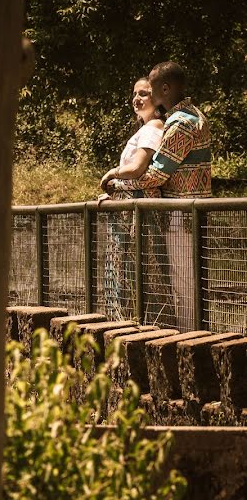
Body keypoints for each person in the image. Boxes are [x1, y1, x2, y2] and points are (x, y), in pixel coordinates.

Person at [104, 62, 212, 329]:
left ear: (164, 88)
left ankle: (190, 339)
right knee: (189, 283)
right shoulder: (193, 115)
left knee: (184, 284)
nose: (148, 95)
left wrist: (115, 184)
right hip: (190, 211)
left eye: (151, 89)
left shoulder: (180, 123)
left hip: (180, 215)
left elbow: (156, 174)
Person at [99, 77, 167, 320]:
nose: (136, 99)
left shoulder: (153, 127)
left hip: (138, 213)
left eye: (144, 94)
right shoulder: (146, 128)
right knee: (127, 270)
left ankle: (133, 324)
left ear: (157, 98)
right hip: (129, 208)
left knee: (136, 271)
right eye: (134, 94)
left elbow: (137, 167)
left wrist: (112, 175)